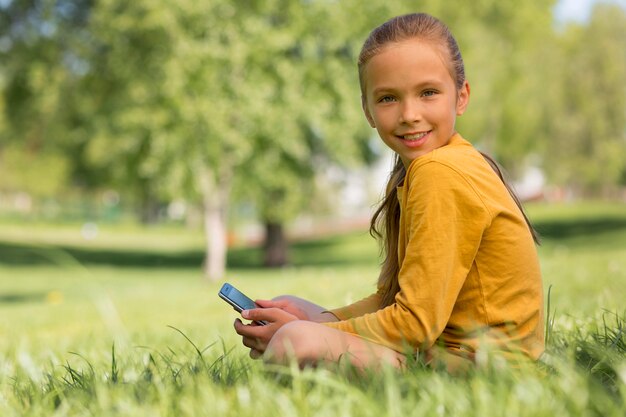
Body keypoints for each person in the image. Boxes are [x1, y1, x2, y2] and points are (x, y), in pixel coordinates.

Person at [234, 12, 544, 371]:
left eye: (428, 92)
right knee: (295, 312)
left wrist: (310, 331)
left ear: (461, 96)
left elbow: (413, 325)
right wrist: (322, 320)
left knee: (296, 340)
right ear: (367, 109)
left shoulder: (440, 173)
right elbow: (390, 300)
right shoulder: (427, 170)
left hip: (480, 367)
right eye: (387, 99)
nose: (409, 114)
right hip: (444, 353)